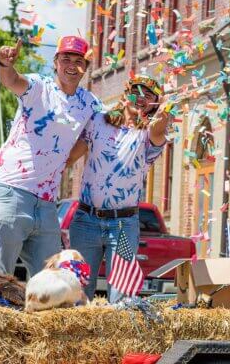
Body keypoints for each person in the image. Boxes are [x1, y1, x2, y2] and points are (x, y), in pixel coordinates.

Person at [0, 36, 101, 276]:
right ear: (55, 62)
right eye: (66, 58)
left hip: (46, 204)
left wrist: (67, 160)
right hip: (9, 191)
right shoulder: (39, 86)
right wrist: (5, 64)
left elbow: (94, 135)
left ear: (85, 68)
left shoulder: (90, 103)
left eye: (79, 61)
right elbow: (12, 80)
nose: (72, 65)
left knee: (52, 281)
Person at [68, 75, 170, 302]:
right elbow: (71, 156)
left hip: (123, 225)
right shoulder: (98, 122)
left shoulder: (148, 135)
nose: (140, 98)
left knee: (121, 296)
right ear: (126, 96)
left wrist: (163, 107)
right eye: (136, 92)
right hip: (86, 220)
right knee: (77, 290)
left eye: (148, 96)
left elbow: (159, 127)